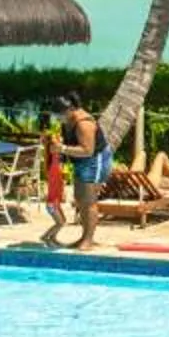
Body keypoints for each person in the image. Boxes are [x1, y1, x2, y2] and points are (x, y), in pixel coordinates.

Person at [45, 93, 108, 248]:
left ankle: (88, 239)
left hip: (94, 161)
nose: (58, 118)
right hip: (81, 161)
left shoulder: (84, 123)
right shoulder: (68, 120)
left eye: (59, 114)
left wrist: (62, 148)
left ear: (70, 109)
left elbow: (88, 150)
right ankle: (84, 237)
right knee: (80, 199)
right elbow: (70, 142)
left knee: (89, 201)